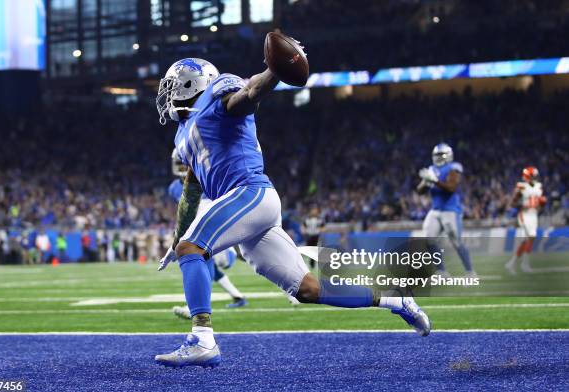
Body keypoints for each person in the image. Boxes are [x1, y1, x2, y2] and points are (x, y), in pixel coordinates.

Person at [154, 55, 430, 369]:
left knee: (193, 247)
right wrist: (177, 237)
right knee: (308, 289)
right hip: (249, 209)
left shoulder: (217, 96)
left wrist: (275, 70)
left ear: (194, 81)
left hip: (248, 192)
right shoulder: (183, 132)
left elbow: (248, 95)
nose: (168, 93)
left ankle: (202, 340)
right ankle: (394, 298)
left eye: (173, 85)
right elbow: (191, 189)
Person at [168, 149, 248, 315]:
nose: (184, 166)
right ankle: (238, 297)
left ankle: (194, 309)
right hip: (202, 235)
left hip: (219, 237)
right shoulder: (174, 188)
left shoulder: (208, 180)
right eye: (181, 162)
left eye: (186, 162)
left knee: (203, 259)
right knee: (205, 263)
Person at [417, 143, 475, 278]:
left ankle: (470, 272)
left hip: (450, 210)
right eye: (436, 155)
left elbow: (451, 188)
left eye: (440, 155)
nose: (438, 158)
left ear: (448, 155)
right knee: (429, 239)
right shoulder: (431, 169)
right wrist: (425, 182)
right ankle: (442, 271)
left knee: (456, 240)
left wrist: (434, 180)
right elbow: (419, 191)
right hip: (436, 210)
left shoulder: (453, 168)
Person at [505, 166, 546, 273]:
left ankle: (513, 263)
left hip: (534, 215)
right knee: (531, 236)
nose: (535, 177)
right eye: (533, 175)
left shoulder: (539, 186)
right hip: (525, 214)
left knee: (526, 240)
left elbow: (540, 204)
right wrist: (523, 205)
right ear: (529, 176)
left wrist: (541, 203)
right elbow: (512, 203)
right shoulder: (521, 187)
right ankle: (524, 264)